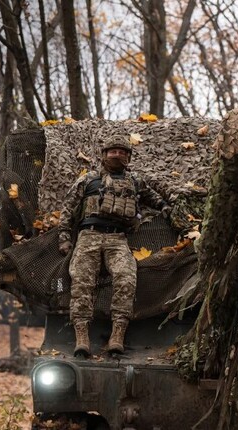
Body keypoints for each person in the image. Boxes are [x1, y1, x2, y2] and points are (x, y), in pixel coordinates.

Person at [59, 135, 170, 357]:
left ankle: (117, 335)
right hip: (89, 236)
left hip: (117, 239)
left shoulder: (135, 181)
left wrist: (166, 207)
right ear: (104, 155)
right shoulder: (88, 180)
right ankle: (82, 337)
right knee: (81, 281)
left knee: (126, 278)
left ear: (128, 157)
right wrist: (64, 237)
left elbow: (154, 198)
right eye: (113, 151)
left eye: (122, 152)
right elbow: (68, 207)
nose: (117, 155)